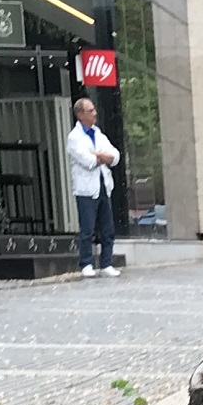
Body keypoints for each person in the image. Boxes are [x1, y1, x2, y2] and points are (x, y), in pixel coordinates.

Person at [66, 97, 121, 278]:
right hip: (86, 189)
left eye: (94, 109)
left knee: (108, 228)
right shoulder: (74, 138)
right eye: (90, 111)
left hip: (103, 185)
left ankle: (106, 263)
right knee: (87, 228)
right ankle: (86, 263)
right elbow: (88, 161)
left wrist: (100, 155)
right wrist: (101, 157)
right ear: (80, 115)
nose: (95, 113)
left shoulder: (98, 134)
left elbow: (115, 156)